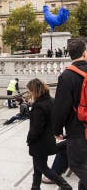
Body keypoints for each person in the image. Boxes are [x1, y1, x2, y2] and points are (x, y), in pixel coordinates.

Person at [25, 78, 72, 189]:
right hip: (47, 140)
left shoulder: (38, 106)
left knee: (42, 167)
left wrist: (29, 139)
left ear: (34, 90)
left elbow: (36, 128)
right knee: (38, 167)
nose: (28, 93)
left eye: (29, 91)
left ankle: (65, 186)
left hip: (38, 142)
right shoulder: (51, 100)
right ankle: (35, 187)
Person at [53, 39, 87, 190]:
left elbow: (61, 107)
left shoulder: (67, 76)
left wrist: (57, 130)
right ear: (84, 53)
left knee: (78, 164)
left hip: (77, 129)